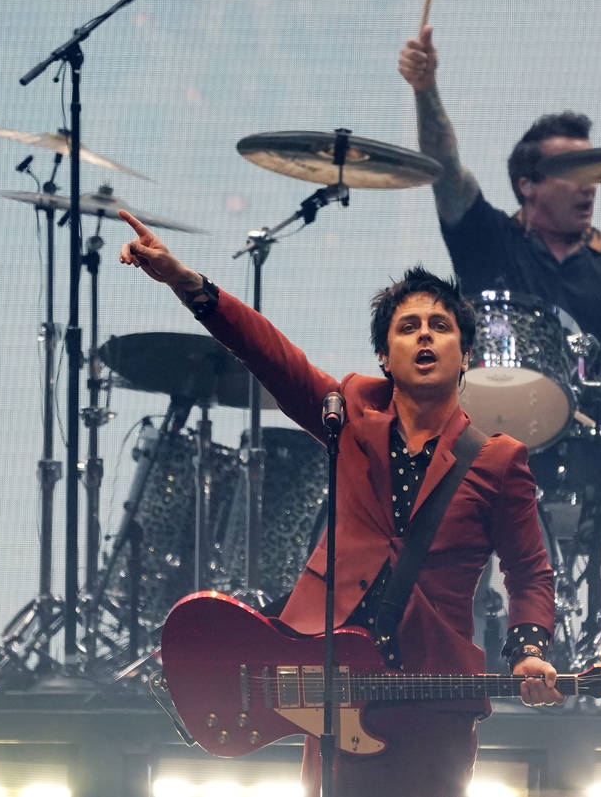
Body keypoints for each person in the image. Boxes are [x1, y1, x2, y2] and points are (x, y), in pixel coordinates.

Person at [117, 210, 560, 797]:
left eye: (439, 325)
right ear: (385, 355)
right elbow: (270, 353)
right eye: (407, 327)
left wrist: (529, 649)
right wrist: (185, 281)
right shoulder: (347, 414)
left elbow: (529, 568)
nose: (424, 335)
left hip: (433, 692)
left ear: (466, 355)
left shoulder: (498, 459)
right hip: (337, 687)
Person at [398, 26, 601, 624]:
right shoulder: (488, 240)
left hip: (589, 455)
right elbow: (445, 168)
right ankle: (443, 648)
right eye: (571, 171)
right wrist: (426, 89)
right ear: (527, 185)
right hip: (480, 445)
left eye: (593, 169)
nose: (589, 185)